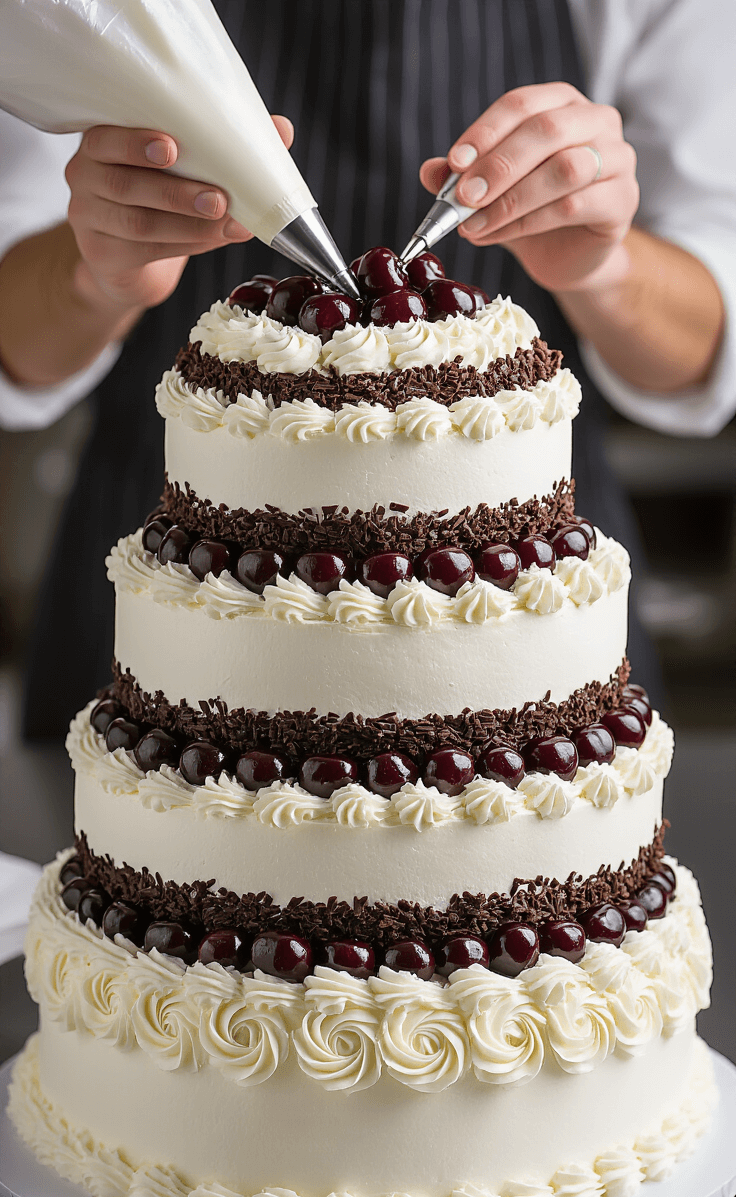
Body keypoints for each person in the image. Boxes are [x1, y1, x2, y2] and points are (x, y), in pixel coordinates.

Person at [0, 0, 733, 733]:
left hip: (524, 609)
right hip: (177, 588)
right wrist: (96, 273)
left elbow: (701, 350)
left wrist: (606, 266)